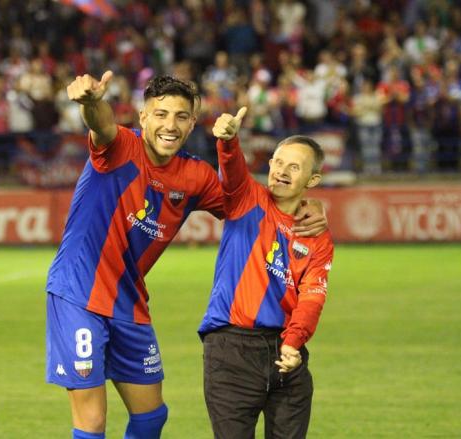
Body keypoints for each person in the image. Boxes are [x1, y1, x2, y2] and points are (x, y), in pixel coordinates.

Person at [45, 71, 328, 439]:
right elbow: (101, 125)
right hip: (78, 293)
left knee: (151, 418)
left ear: (193, 123)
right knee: (93, 420)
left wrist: (305, 203)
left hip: (128, 301)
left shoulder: (196, 176)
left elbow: (251, 205)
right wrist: (91, 102)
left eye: (181, 117)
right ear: (143, 117)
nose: (170, 125)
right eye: (160, 114)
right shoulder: (120, 147)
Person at [199, 107, 334, 438]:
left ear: (312, 180)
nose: (282, 171)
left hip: (287, 354)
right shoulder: (247, 199)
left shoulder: (317, 236)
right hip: (232, 350)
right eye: (277, 162)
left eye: (294, 166)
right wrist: (228, 140)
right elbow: (232, 171)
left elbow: (312, 297)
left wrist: (293, 343)